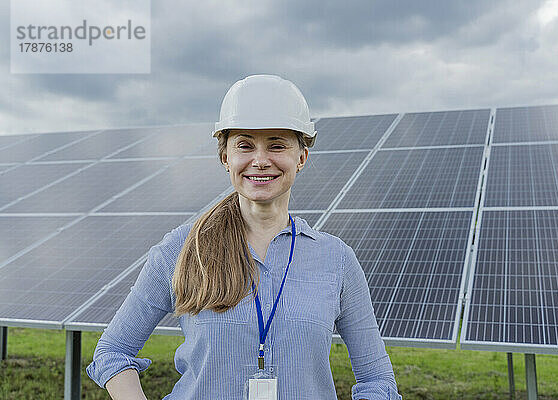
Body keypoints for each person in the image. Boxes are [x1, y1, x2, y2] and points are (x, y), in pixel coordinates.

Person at [86, 74, 400, 399]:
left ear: (301, 157)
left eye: (277, 145)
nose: (260, 160)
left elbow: (378, 380)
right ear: (226, 157)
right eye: (245, 145)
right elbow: (112, 352)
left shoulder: (336, 260)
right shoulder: (182, 249)